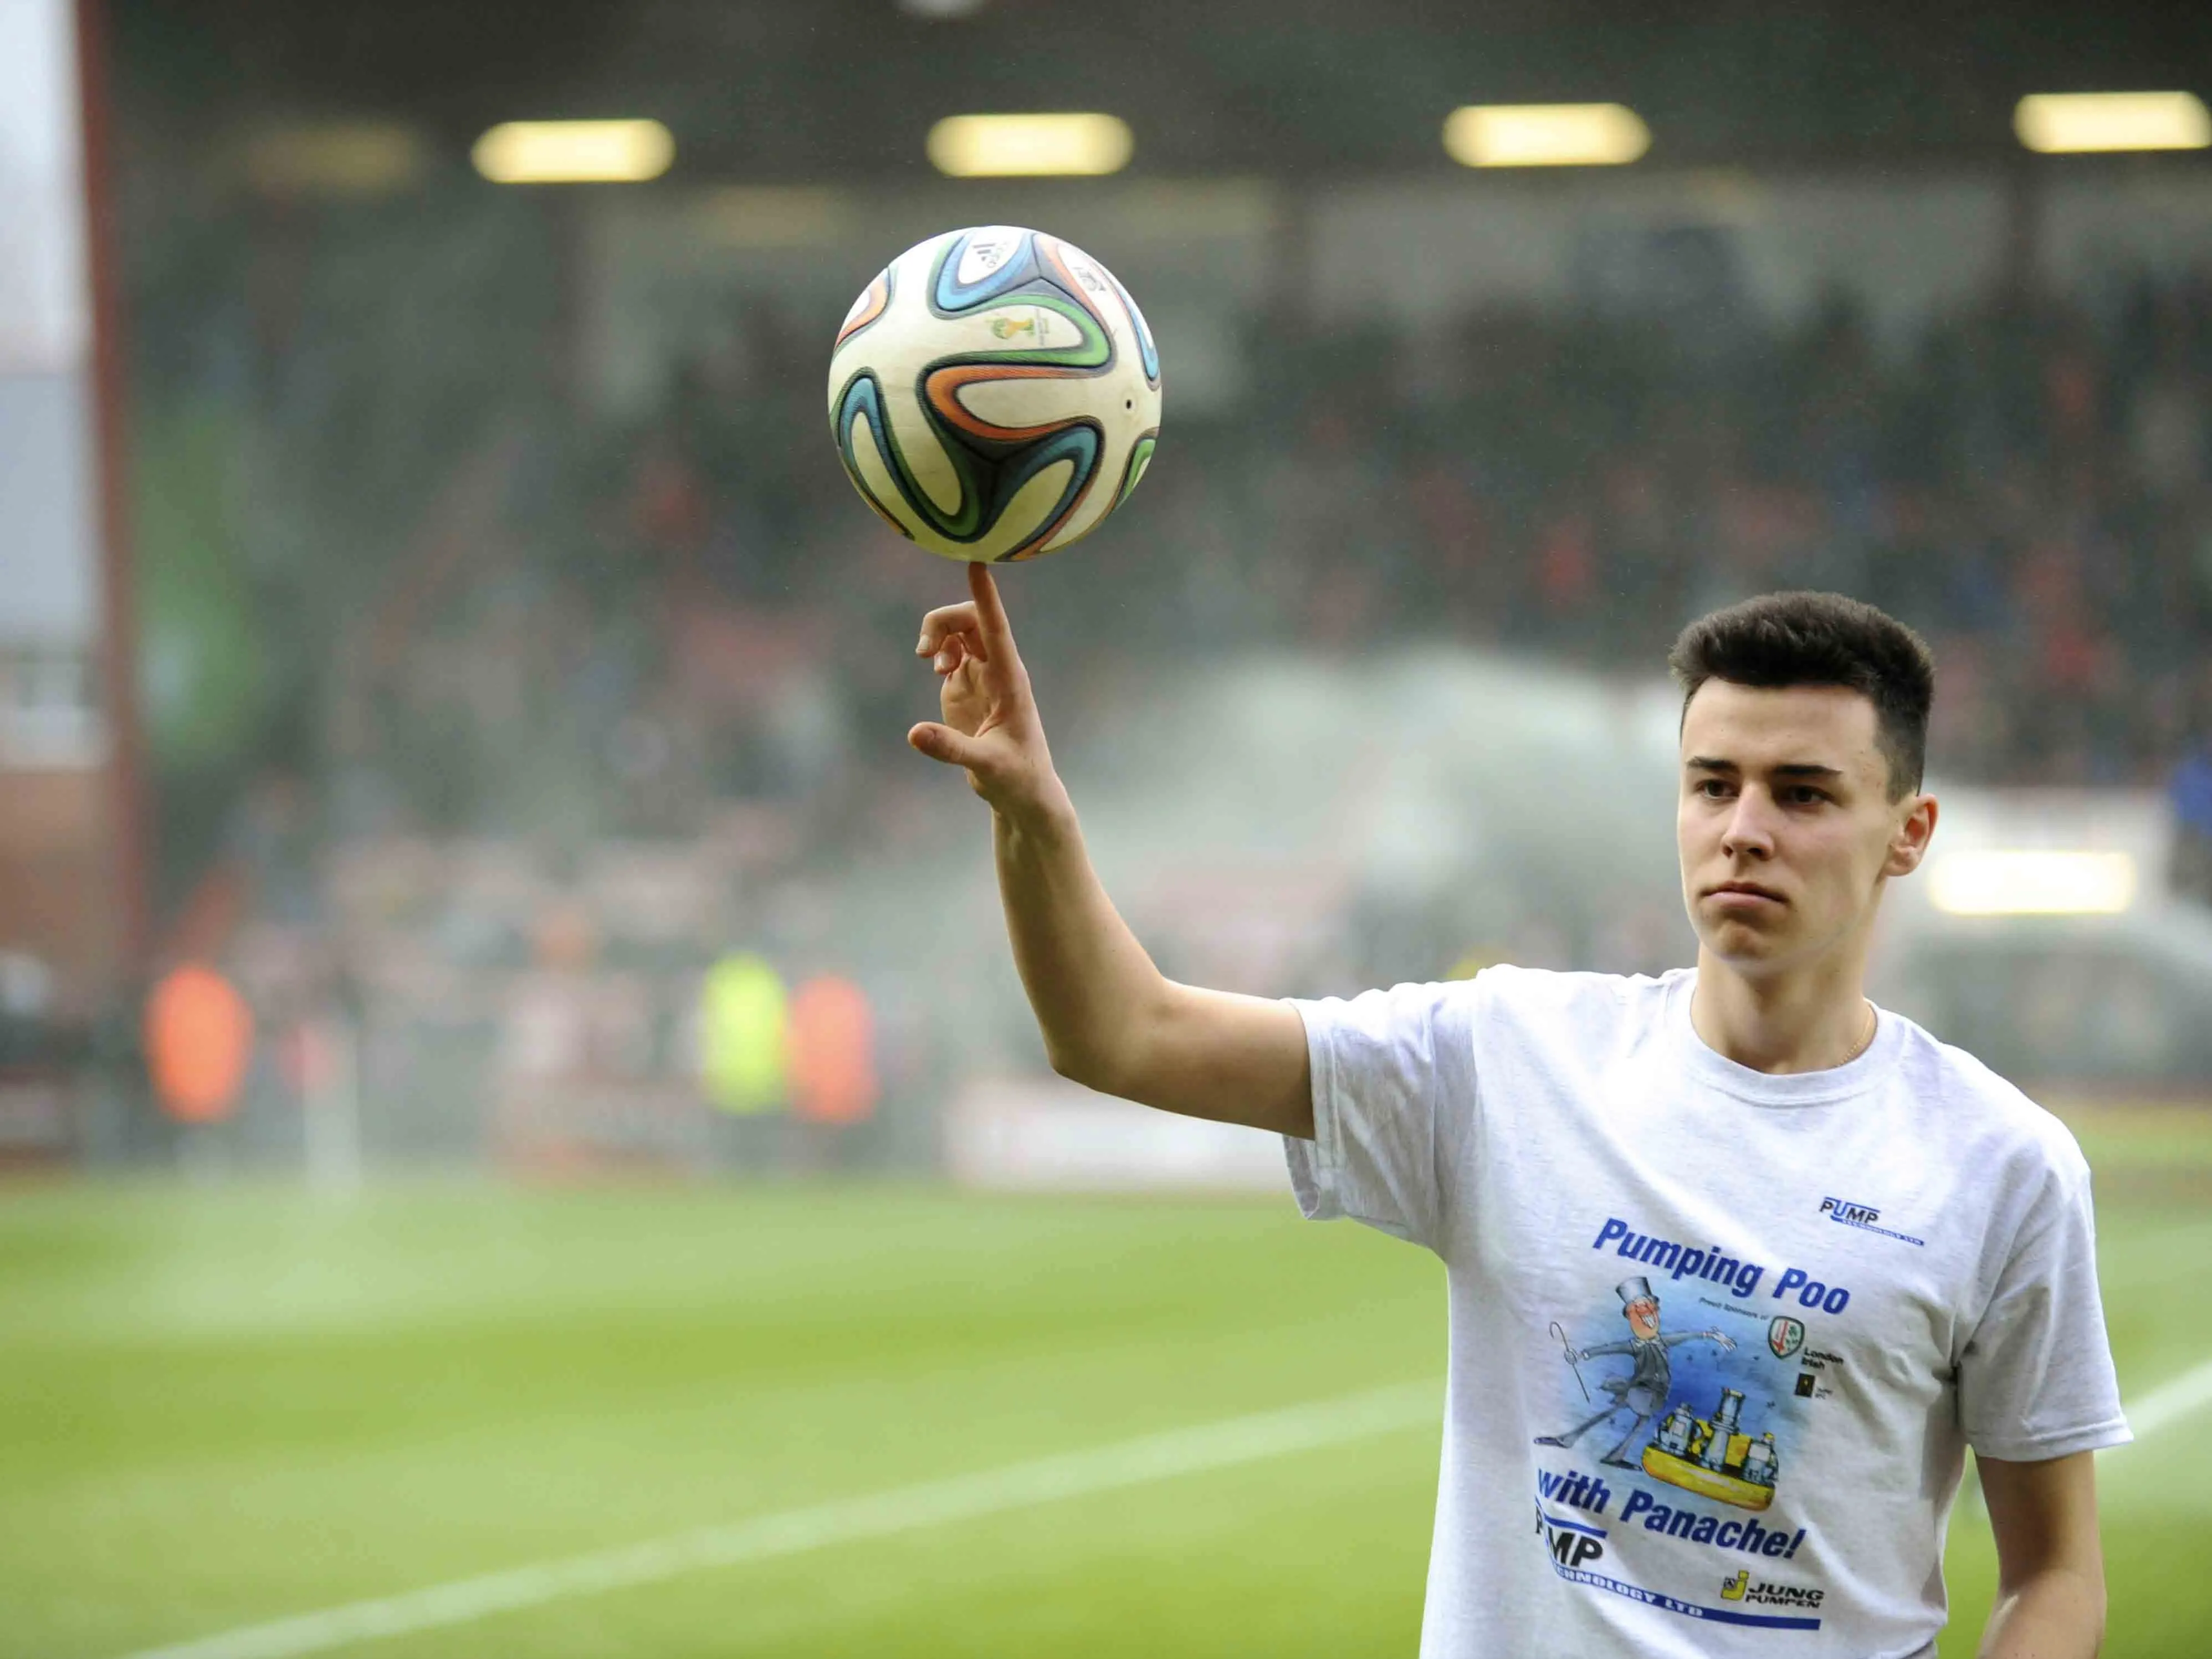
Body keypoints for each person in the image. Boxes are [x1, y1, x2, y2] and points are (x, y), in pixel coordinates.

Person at [909, 567, 2127, 1658]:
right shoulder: (1509, 1054)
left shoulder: (2002, 1164)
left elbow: (2056, 1574)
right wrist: (1033, 816)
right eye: (1713, 785)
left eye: (1802, 794)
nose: (1743, 830)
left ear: (1907, 834)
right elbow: (1121, 1034)